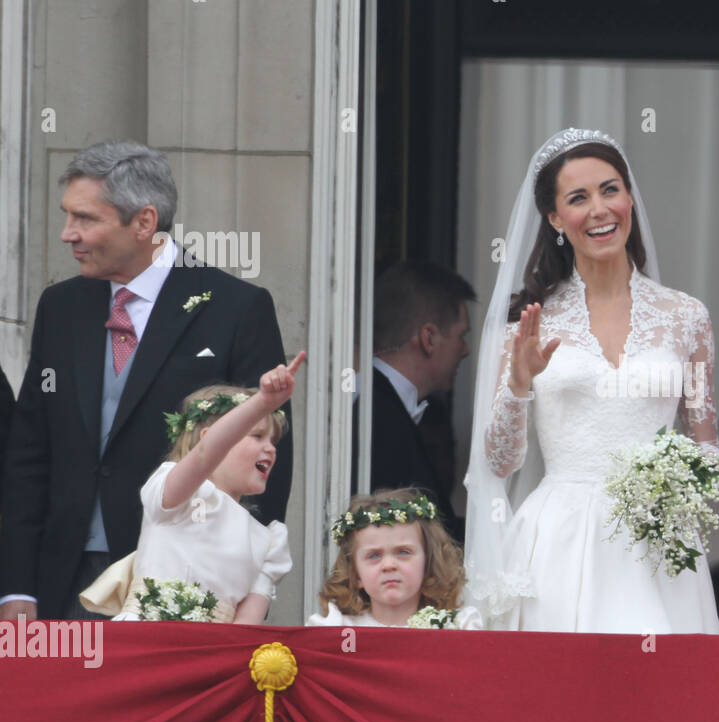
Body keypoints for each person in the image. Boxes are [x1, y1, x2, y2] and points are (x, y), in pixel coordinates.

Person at [0, 140, 292, 620]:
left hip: (182, 588)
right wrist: (17, 587)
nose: (67, 234)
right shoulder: (61, 306)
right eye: (67, 216)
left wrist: (248, 595)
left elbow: (266, 457)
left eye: (85, 218)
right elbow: (29, 451)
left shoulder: (235, 308)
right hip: (61, 581)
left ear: (144, 222)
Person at [464, 128, 719, 634]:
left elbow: (707, 446)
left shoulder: (686, 317)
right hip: (558, 541)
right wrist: (518, 384)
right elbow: (498, 462)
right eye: (578, 198)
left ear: (630, 198)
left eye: (610, 190)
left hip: (657, 542)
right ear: (555, 218)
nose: (600, 210)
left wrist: (671, 486)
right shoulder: (527, 324)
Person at [89, 354, 304, 623]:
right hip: (144, 637)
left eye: (273, 440)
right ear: (208, 437)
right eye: (257, 435)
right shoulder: (178, 497)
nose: (270, 448)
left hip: (212, 647)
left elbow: (245, 630)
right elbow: (204, 455)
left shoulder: (267, 541)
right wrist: (262, 402)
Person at [360, 260, 475, 541]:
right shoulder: (376, 415)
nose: (465, 350)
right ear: (429, 338)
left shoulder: (381, 403)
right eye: (461, 336)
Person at [308, 488, 482, 629]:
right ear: (355, 573)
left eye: (403, 552)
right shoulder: (337, 630)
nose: (389, 565)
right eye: (374, 555)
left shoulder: (455, 627)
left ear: (428, 563)